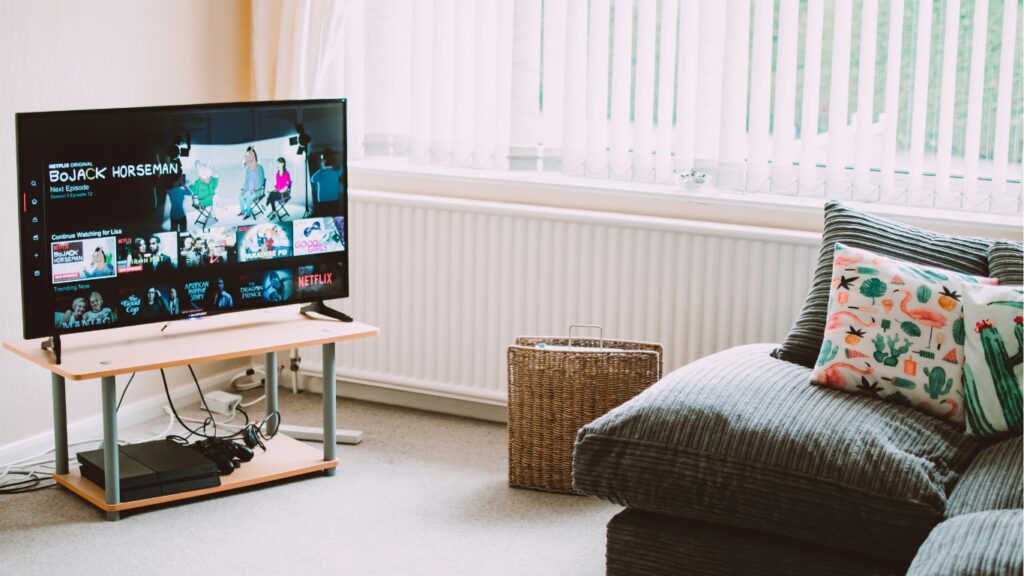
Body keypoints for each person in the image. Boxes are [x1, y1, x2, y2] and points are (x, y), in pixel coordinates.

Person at [310, 149, 342, 216]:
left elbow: (312, 179)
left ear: (323, 161)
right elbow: (342, 168)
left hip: (323, 199)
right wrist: (330, 167)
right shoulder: (336, 172)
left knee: (324, 217)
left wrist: (321, 169)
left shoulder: (322, 172)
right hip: (332, 198)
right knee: (334, 217)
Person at [239, 146, 265, 220]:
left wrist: (254, 190)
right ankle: (243, 211)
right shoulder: (248, 169)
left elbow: (261, 182)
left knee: (248, 199)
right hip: (249, 190)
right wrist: (244, 190)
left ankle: (248, 213)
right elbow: (246, 181)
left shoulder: (260, 168)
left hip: (257, 191)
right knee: (241, 197)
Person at [192, 159, 219, 226]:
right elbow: (195, 191)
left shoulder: (210, 180)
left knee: (215, 197)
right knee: (215, 197)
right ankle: (214, 213)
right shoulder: (197, 182)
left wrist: (216, 179)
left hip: (210, 199)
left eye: (205, 170)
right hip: (203, 200)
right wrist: (189, 184)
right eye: (202, 170)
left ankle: (214, 212)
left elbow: (214, 187)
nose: (204, 172)